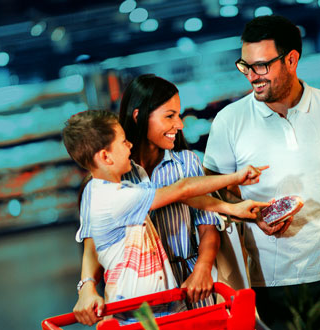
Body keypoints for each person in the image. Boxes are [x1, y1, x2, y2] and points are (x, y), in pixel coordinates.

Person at [202, 15, 320, 329]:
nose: (251, 76)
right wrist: (251, 214)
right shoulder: (228, 121)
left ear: (291, 59)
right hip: (272, 281)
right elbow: (213, 188)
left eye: (261, 66)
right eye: (246, 66)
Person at [72, 75, 271, 325]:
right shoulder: (112, 180)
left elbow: (203, 217)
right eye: (169, 116)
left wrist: (202, 268)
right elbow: (95, 244)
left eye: (179, 114)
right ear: (139, 116)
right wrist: (86, 286)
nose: (180, 124)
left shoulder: (186, 161)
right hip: (143, 301)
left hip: (193, 287)